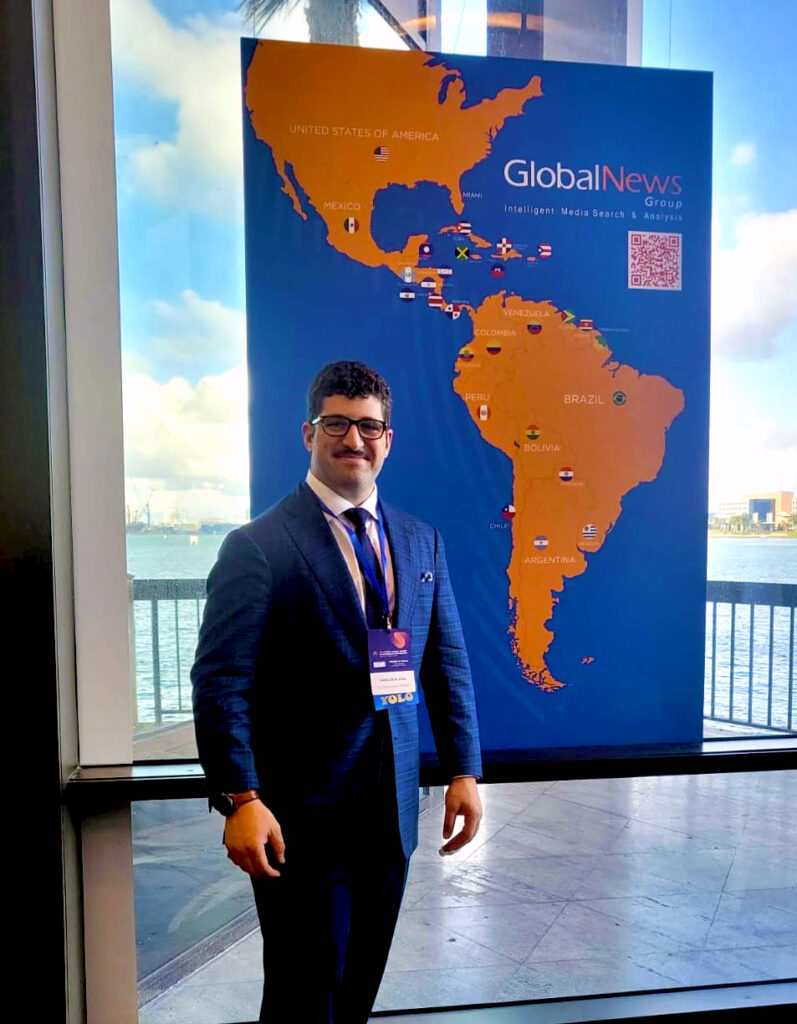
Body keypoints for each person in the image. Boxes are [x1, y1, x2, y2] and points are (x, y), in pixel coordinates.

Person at [191, 360, 482, 1024]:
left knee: (355, 997)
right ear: (309, 433)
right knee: (304, 998)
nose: (354, 439)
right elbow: (221, 683)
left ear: (388, 439)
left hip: (391, 819)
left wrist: (463, 770)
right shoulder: (258, 546)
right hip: (300, 823)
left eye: (369, 426)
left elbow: (447, 664)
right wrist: (241, 798)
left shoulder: (421, 541)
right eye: (337, 423)